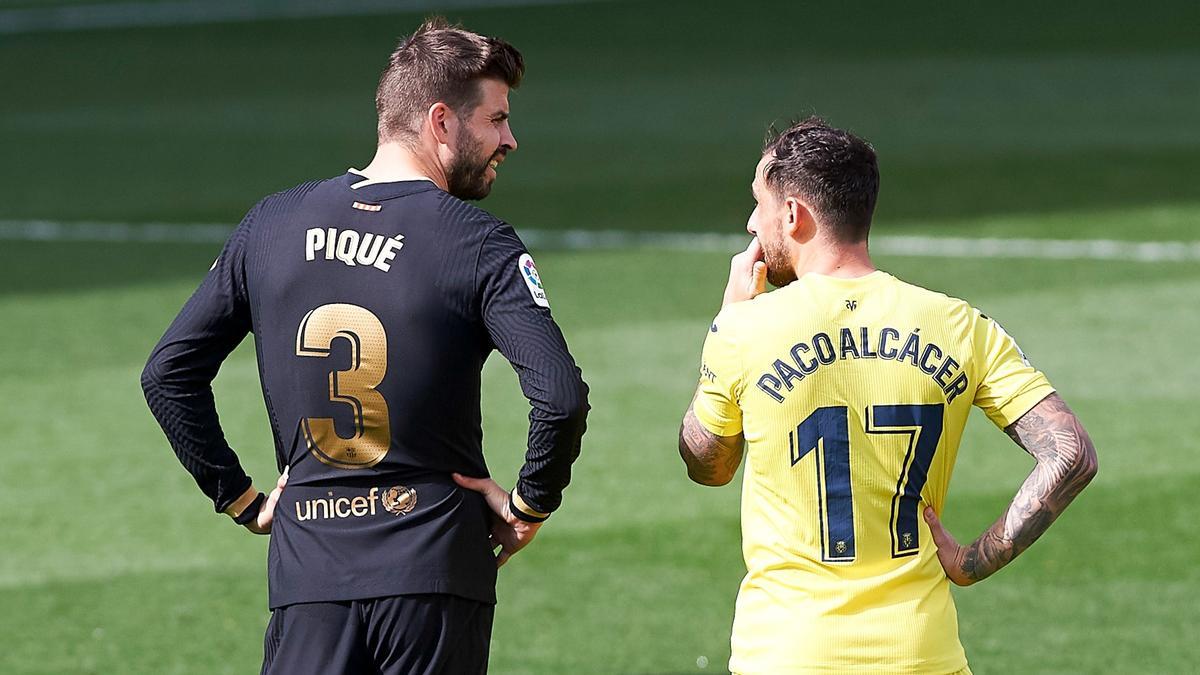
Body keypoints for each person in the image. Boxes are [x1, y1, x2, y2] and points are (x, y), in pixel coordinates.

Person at [141, 18, 588, 675]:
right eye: (495, 119)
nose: (509, 139)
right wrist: (529, 505)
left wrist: (240, 497)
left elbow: (168, 373)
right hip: (434, 572)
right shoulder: (476, 240)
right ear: (441, 121)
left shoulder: (271, 225)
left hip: (308, 577)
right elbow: (560, 395)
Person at [677, 117, 1097, 674]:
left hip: (788, 655)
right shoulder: (957, 324)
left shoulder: (745, 330)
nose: (753, 222)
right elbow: (1071, 454)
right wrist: (973, 560)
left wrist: (726, 323)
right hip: (923, 655)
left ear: (794, 214)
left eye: (759, 203)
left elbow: (709, 465)